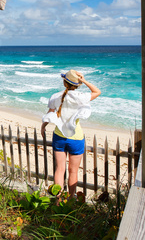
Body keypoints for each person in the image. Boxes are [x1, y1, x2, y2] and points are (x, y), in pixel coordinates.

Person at [41, 69, 101, 199]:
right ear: (77, 85)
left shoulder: (56, 96)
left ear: (64, 83)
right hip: (76, 138)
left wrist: (43, 127)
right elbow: (97, 91)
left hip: (59, 136)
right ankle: (70, 200)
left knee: (59, 169)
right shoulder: (80, 97)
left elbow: (50, 114)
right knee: (73, 171)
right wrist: (83, 80)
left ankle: (58, 200)